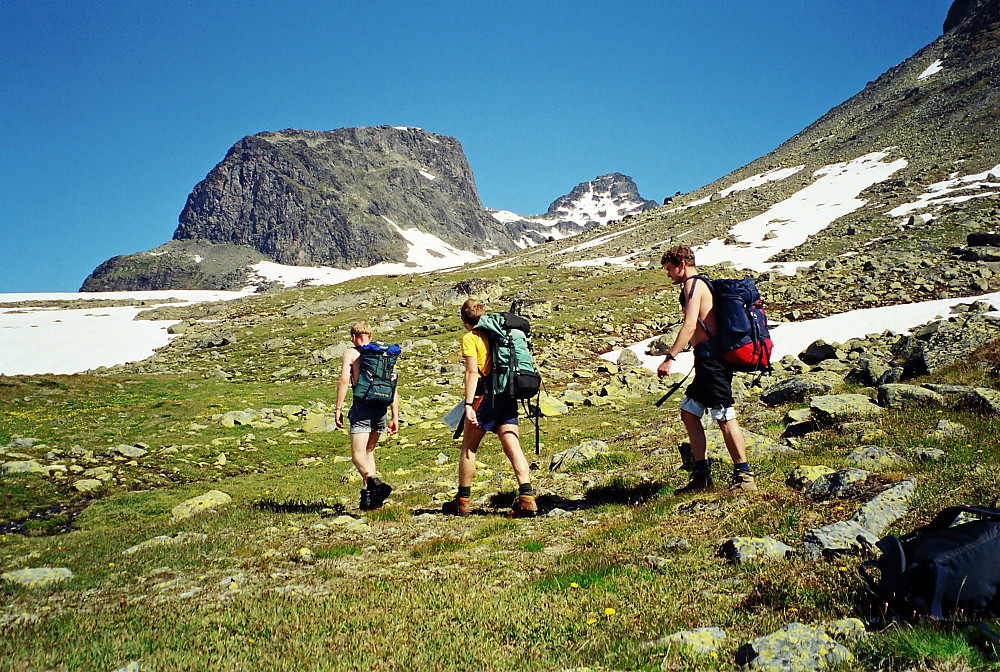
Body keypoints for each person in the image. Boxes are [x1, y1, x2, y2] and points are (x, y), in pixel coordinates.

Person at [656, 245, 757, 493]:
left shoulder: (692, 285)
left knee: (724, 415)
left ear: (681, 264)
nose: (668, 274)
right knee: (689, 412)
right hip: (706, 360)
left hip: (713, 362)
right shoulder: (700, 284)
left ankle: (745, 479)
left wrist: (670, 357)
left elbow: (690, 325)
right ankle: (702, 477)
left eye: (669, 269)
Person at [442, 298, 538, 517]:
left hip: (484, 398)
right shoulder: (499, 332)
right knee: (513, 446)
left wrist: (468, 405)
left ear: (464, 319)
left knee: (469, 448)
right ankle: (527, 498)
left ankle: (462, 501)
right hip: (507, 394)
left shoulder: (471, 337)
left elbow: (471, 373)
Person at [335, 322, 399, 510]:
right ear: (370, 337)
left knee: (357, 455)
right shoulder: (382, 354)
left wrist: (338, 408)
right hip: (381, 408)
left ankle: (375, 483)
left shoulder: (351, 353)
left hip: (362, 407)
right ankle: (370, 501)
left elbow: (344, 380)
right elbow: (393, 386)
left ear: (354, 337)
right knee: (369, 452)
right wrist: (395, 416)